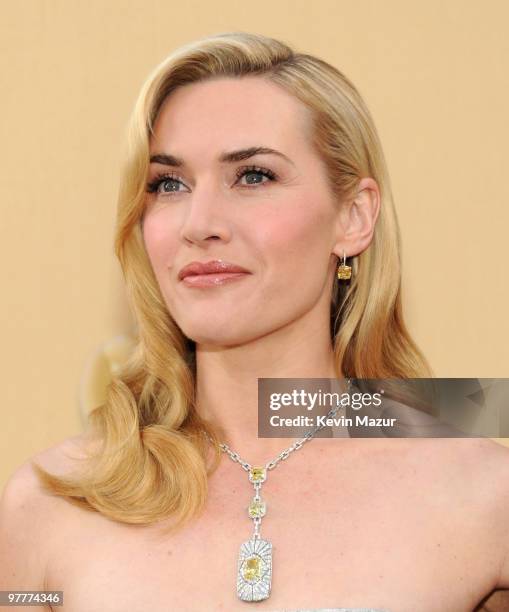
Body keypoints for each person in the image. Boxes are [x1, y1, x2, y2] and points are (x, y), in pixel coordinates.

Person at [1, 31, 508, 612]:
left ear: (354, 217)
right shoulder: (50, 502)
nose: (200, 222)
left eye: (254, 176)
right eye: (169, 184)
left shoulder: (484, 498)